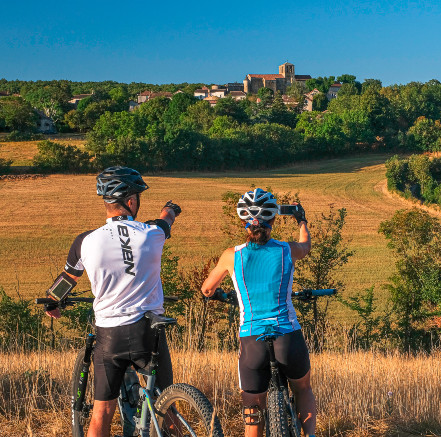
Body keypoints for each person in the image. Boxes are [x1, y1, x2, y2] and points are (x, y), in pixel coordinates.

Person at [44, 166, 181, 437]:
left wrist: (53, 301)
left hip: (110, 336)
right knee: (167, 405)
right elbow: (166, 221)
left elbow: (68, 278)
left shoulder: (85, 242)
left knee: (102, 413)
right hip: (148, 332)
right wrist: (172, 210)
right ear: (131, 202)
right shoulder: (153, 233)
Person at [201, 188, 315, 437]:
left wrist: (221, 295)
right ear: (273, 219)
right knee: (303, 388)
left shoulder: (232, 255)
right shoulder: (287, 250)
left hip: (252, 340)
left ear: (244, 222)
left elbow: (207, 289)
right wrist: (302, 220)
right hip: (287, 336)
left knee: (253, 412)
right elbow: (306, 245)